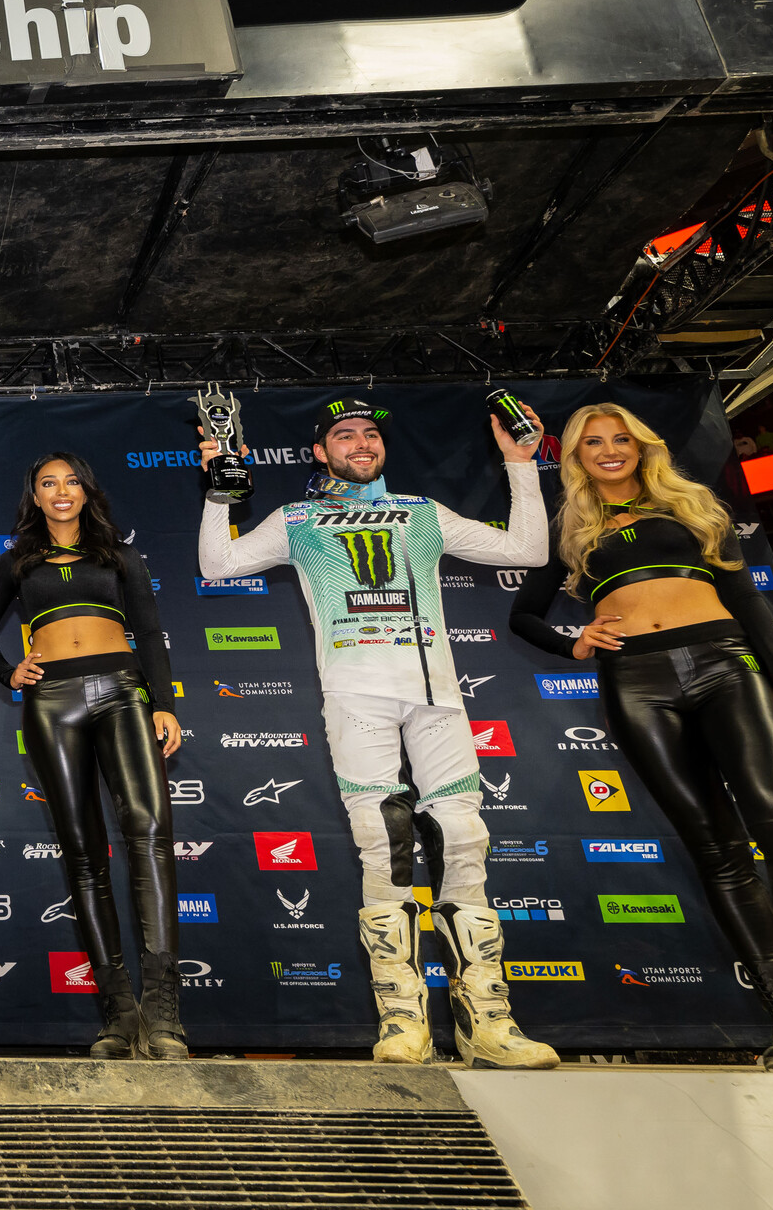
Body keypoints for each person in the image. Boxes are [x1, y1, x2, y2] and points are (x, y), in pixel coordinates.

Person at [509, 404, 773, 1073]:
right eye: (592, 443)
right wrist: (575, 641)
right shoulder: (567, 526)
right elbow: (522, 614)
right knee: (717, 851)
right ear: (574, 457)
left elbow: (748, 598)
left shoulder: (691, 506)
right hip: (636, 682)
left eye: (620, 439)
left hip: (726, 664)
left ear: (642, 445)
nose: (608, 450)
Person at [198, 396, 558, 1070]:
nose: (360, 444)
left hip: (438, 697)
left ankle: (490, 1023)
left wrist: (520, 466)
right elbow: (219, 565)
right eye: (344, 435)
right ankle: (402, 1021)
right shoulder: (298, 519)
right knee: (382, 842)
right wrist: (219, 492)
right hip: (357, 696)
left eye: (369, 434)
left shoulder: (422, 511)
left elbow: (528, 549)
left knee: (463, 839)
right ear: (319, 451)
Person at [0, 453, 185, 1060]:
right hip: (51, 704)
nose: (60, 493)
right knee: (84, 853)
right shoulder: (16, 561)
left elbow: (149, 627)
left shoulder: (121, 556)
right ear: (34, 498)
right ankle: (118, 1014)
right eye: (47, 484)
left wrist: (163, 703)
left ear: (87, 492)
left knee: (148, 832)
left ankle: (164, 1015)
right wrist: (10, 671)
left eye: (71, 483)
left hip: (123, 692)